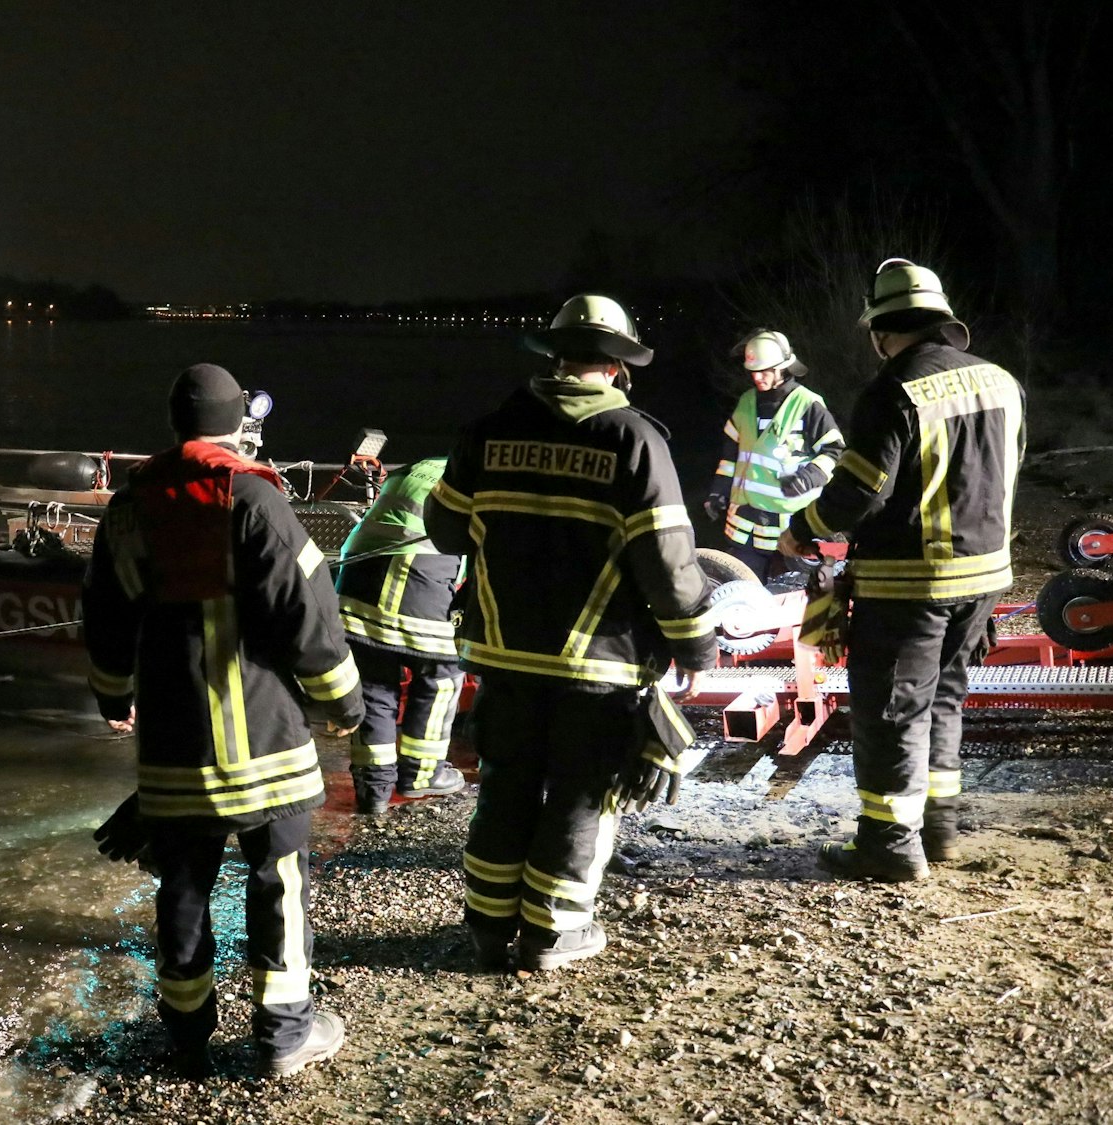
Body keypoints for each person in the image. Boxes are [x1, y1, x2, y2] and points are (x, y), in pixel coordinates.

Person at [82, 363, 363, 1079]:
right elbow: (310, 617)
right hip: (269, 747)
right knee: (279, 883)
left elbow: (104, 620)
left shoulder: (128, 509)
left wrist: (114, 698)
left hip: (174, 753)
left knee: (181, 889)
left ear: (174, 424)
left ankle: (185, 1035)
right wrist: (344, 705)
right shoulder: (256, 500)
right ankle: (284, 1034)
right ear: (239, 424)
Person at [426, 295, 716, 972]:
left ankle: (488, 927)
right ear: (617, 367)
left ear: (554, 357)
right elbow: (669, 562)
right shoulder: (635, 440)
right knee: (583, 791)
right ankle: (553, 934)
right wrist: (695, 643)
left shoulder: (487, 431)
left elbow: (444, 530)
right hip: (598, 662)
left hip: (503, 654)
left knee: (506, 783)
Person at [778, 259, 1023, 881]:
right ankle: (939, 830)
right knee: (943, 699)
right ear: (942, 322)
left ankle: (888, 846)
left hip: (912, 583)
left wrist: (803, 528)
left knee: (892, 709)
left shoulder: (893, 389)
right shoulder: (1001, 381)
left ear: (880, 332)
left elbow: (860, 492)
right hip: (985, 577)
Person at [335, 456, 470, 814]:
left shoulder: (419, 466)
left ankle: (373, 789)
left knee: (373, 685)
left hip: (357, 575)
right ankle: (421, 775)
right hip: (417, 574)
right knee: (441, 673)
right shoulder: (475, 473)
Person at [703, 330, 845, 583]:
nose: (757, 377)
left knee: (796, 594)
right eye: (753, 371)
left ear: (783, 367)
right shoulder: (746, 403)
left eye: (765, 371)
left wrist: (809, 477)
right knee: (744, 593)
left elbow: (833, 450)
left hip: (790, 529)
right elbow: (731, 455)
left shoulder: (807, 404)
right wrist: (719, 491)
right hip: (745, 524)